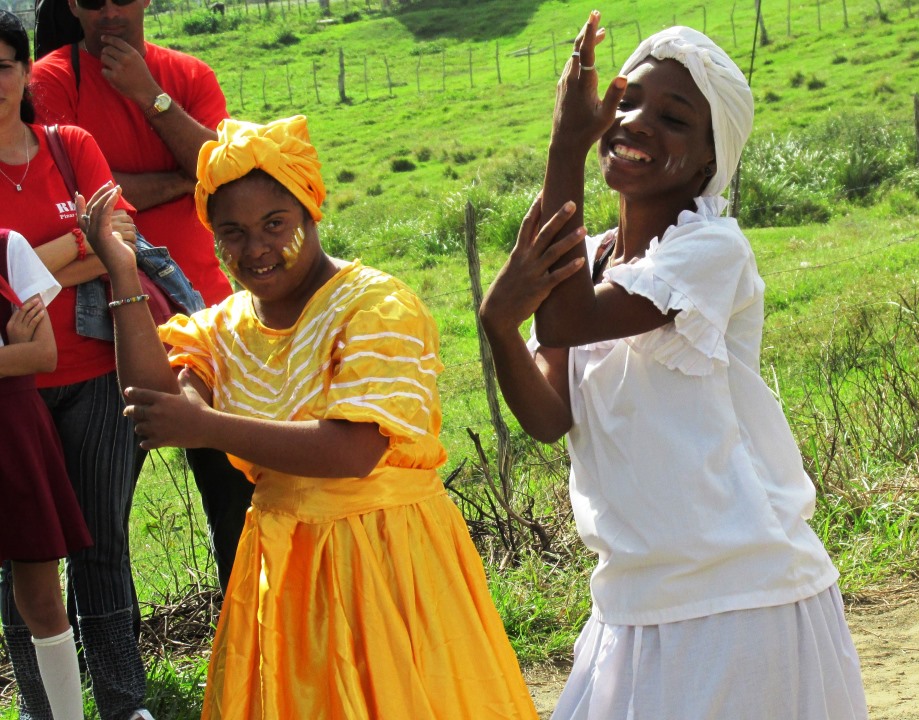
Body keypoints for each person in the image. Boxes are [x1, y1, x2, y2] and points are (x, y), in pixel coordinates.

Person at [78, 114, 540, 719]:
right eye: (233, 233)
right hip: (285, 570)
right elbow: (155, 399)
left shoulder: (376, 306)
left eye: (276, 224)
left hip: (385, 562)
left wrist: (206, 426)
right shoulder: (228, 325)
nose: (256, 248)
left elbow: (352, 453)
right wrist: (122, 270)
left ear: (311, 211)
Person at [480, 15, 869, 719]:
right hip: (632, 601)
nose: (633, 121)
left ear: (708, 161)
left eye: (673, 117)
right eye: (625, 103)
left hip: (740, 598)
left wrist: (566, 140)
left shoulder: (711, 251)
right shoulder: (594, 259)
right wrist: (498, 326)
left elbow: (568, 318)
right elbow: (547, 416)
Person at [31, 0, 252, 592]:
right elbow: (88, 199)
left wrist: (149, 95)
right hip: (104, 331)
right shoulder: (50, 80)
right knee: (101, 525)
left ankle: (253, 652)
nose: (108, 12)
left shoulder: (186, 76)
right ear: (73, 7)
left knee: (239, 500)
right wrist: (185, 178)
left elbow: (230, 177)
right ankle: (116, 669)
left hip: (203, 312)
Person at [0, 12, 156, 720]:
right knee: (23, 561)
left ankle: (124, 704)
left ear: (25, 73)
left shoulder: (69, 146)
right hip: (14, 392)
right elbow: (90, 242)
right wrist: (75, 242)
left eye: (4, 65)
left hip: (97, 372)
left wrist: (27, 262)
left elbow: (119, 240)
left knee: (104, 545)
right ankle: (44, 709)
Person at [0, 227, 91, 720]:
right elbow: (22, 355)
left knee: (40, 593)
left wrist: (20, 355)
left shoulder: (7, 247)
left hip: (12, 432)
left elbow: (43, 354)